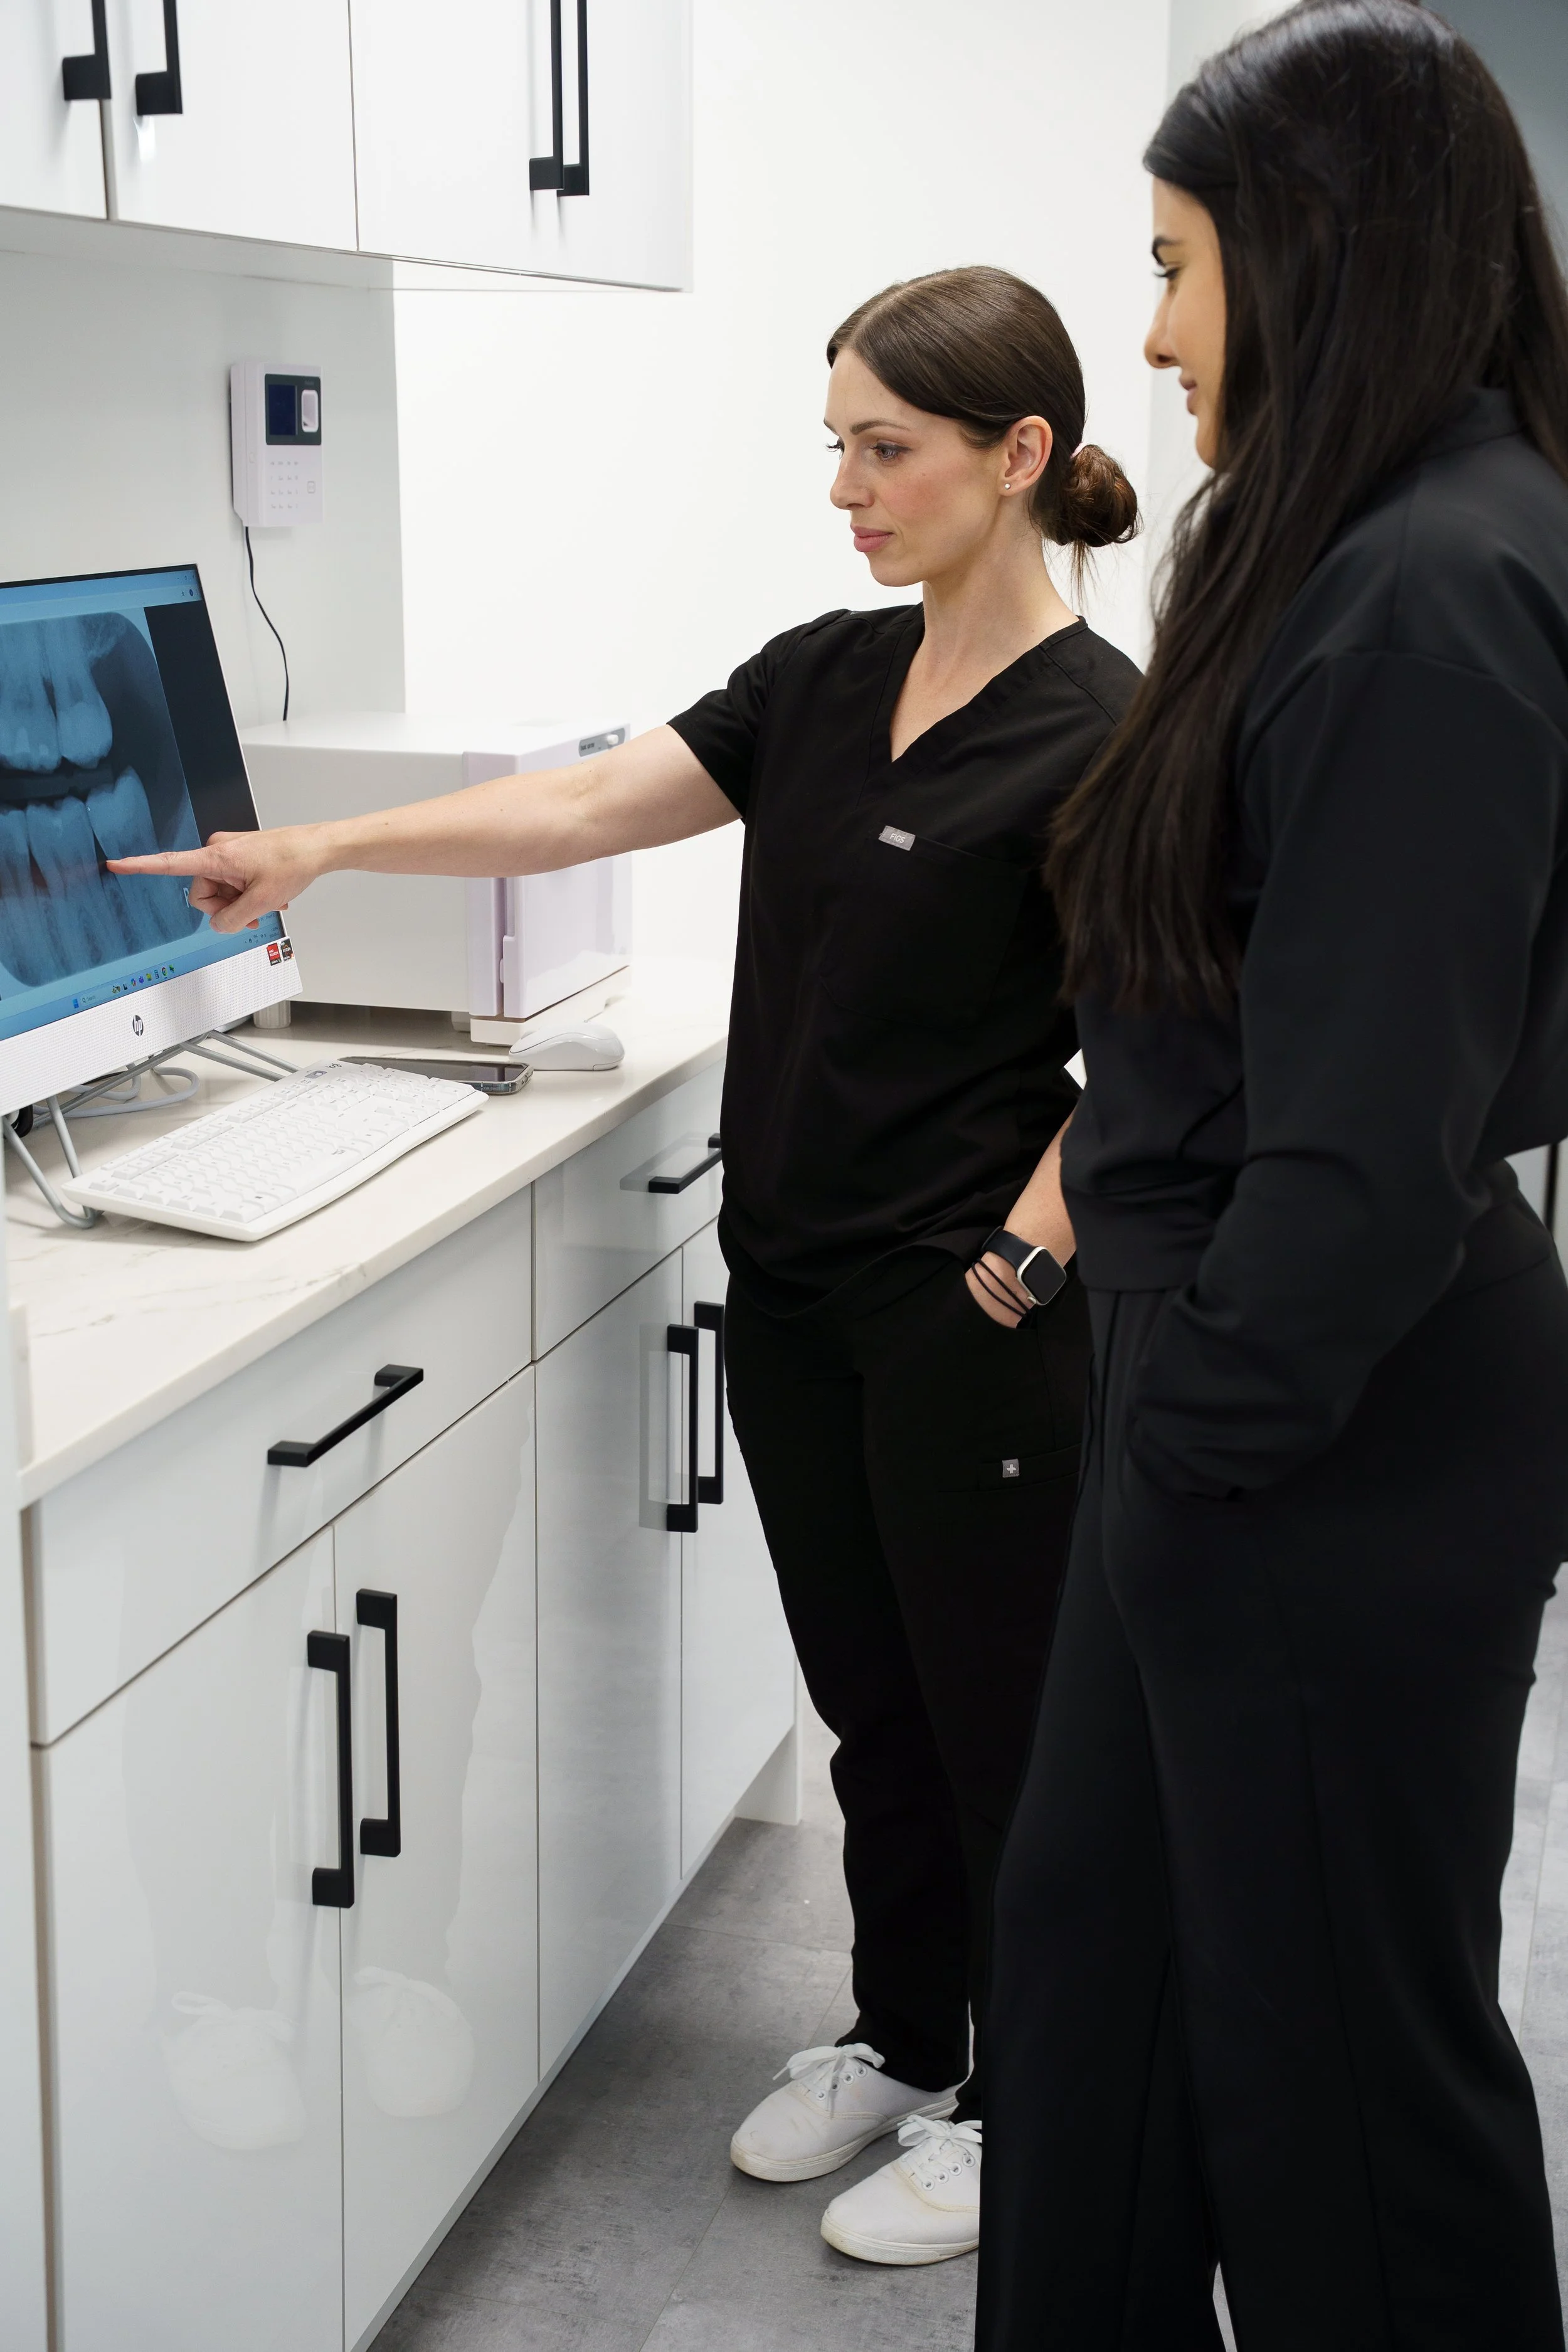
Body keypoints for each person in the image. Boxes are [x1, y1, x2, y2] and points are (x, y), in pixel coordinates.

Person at [114, 266, 1140, 2269]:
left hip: (971, 1325)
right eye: (832, 444)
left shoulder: (1102, 738)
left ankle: (1035, 2098)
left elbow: (1159, 1057)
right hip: (797, 1297)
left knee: (1000, 1726)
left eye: (885, 448)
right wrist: (322, 854)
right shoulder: (829, 678)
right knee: (869, 1708)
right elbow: (586, 799)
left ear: (1014, 458)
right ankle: (902, 2037)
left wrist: (1009, 1279)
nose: (844, 486)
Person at [975, 6, 1568, 2347]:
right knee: (1096, 1981)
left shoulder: (1435, 579)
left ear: (1310, 257)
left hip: (1319, 1409)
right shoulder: (1359, 537)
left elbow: (1353, 1147)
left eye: (1173, 264)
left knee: (1339, 2096)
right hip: (1234, 1381)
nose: (1146, 327)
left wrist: (1190, 1453)